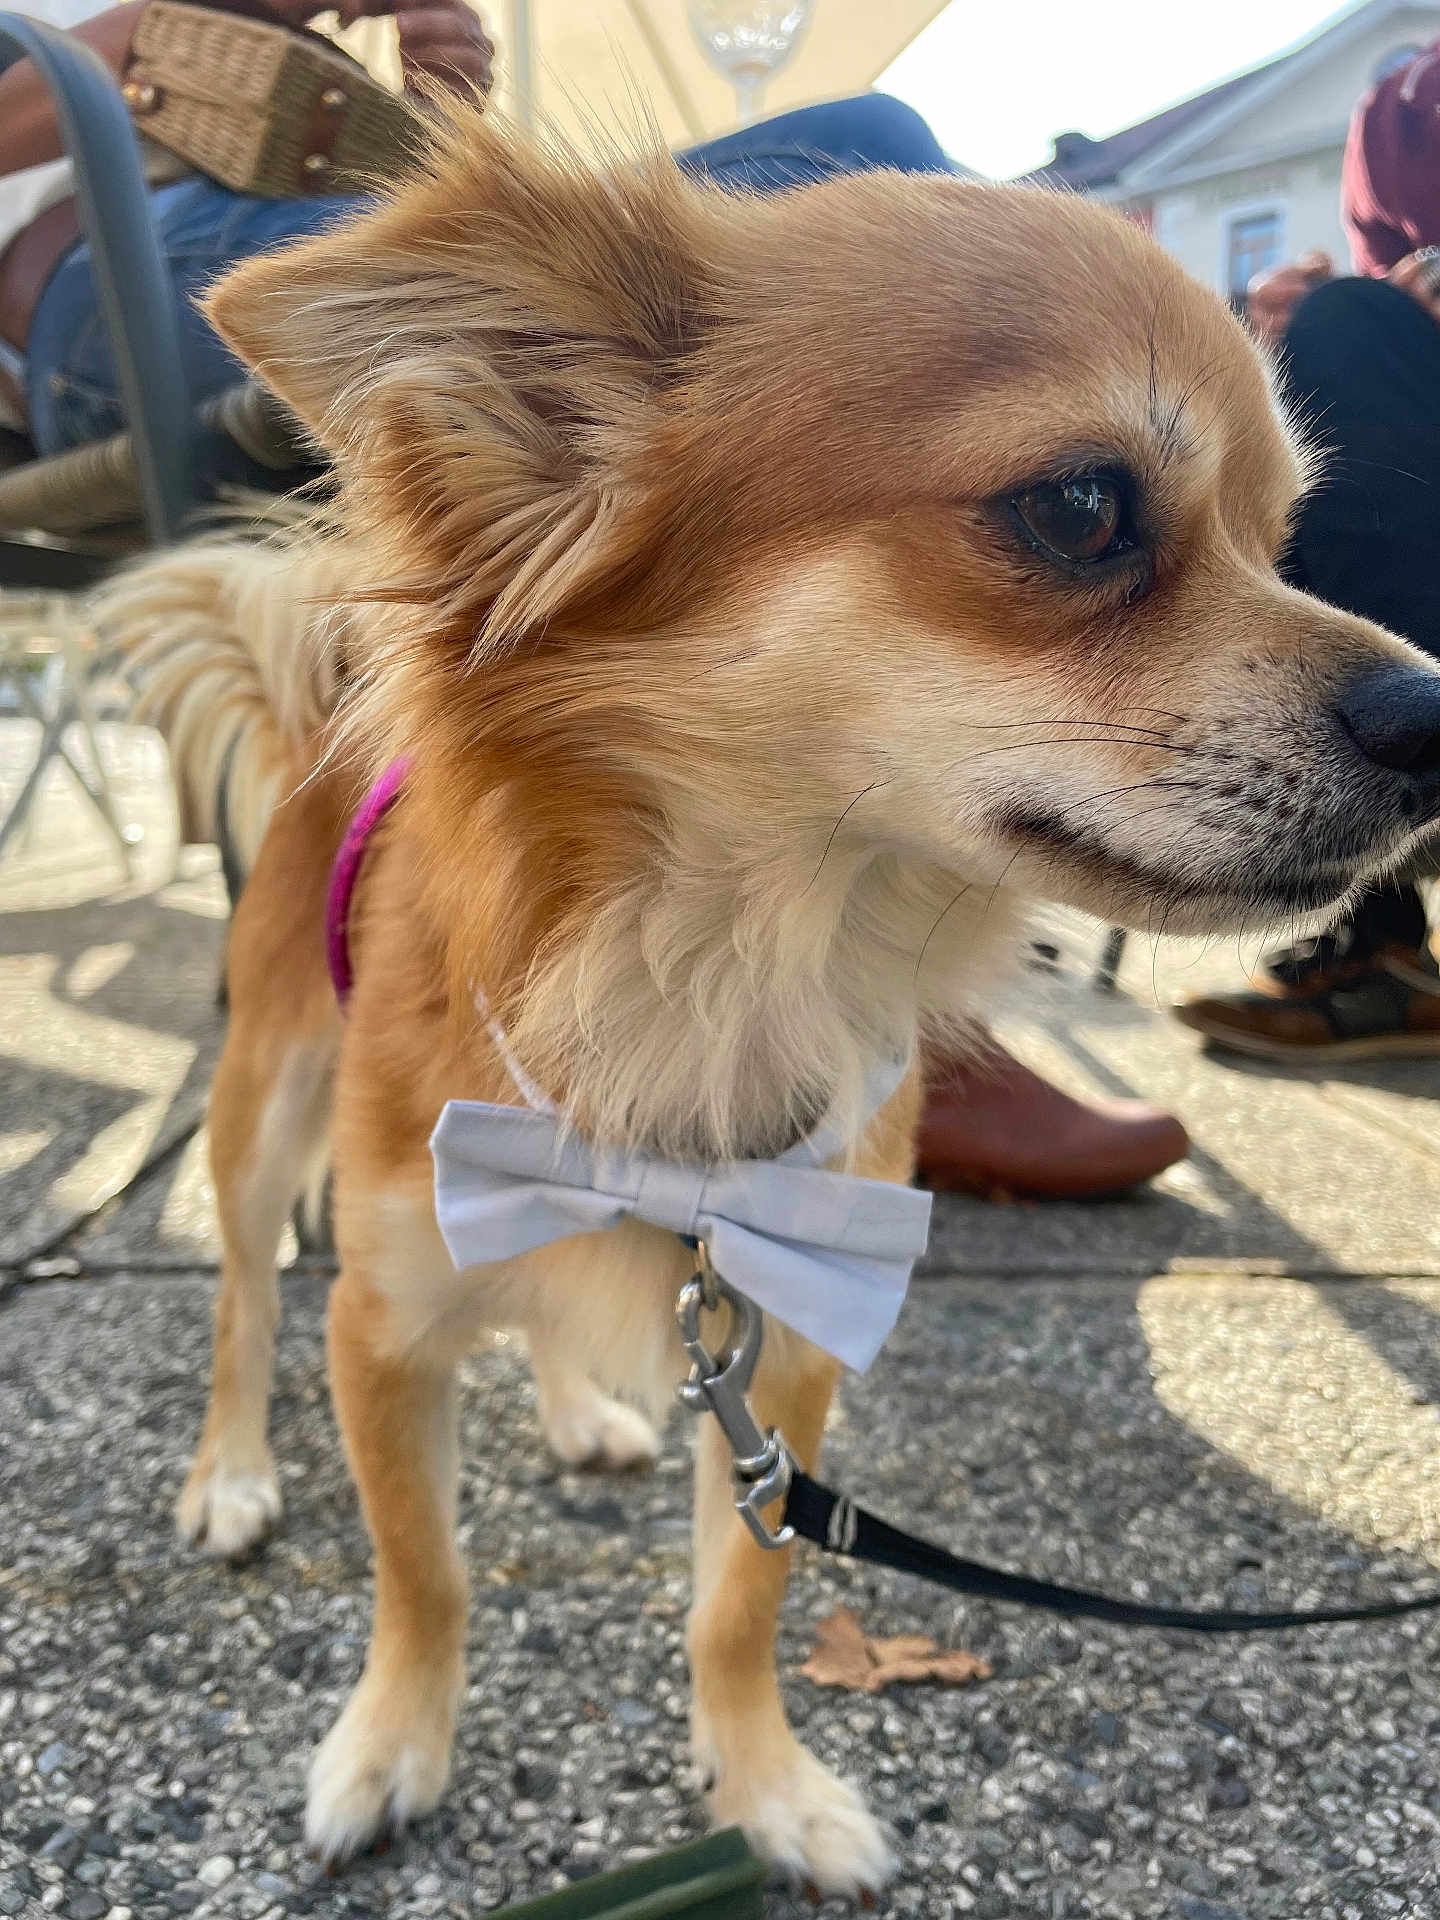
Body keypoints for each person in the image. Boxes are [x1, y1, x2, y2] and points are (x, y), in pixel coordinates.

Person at [0, 4, 1188, 1193]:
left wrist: (419, 96)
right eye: (1068, 515)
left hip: (296, 222)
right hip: (94, 284)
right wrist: (172, 39)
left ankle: (867, 996)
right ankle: (865, 1016)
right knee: (859, 140)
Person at [1175, 42, 1440, 1062]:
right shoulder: (1392, 94)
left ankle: (1391, 833)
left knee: (1348, 328)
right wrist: (1274, 347)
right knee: (1312, 355)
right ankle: (1379, 943)